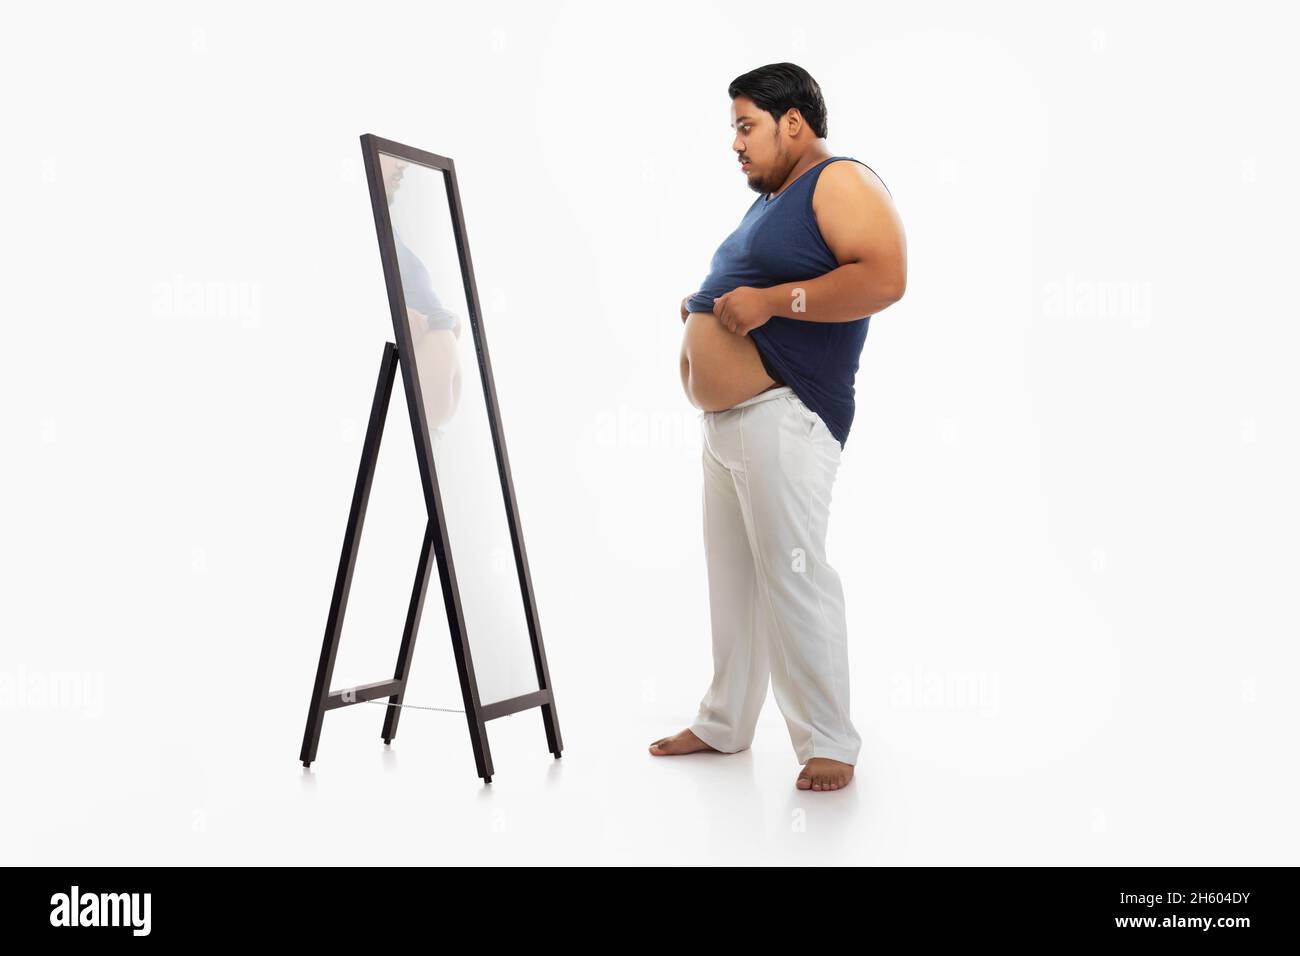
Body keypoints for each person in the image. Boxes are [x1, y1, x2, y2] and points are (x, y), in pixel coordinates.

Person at [652, 63, 907, 792]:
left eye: (745, 126)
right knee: (733, 581)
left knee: (795, 576)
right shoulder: (772, 202)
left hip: (785, 414)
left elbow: (885, 277)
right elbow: (759, 284)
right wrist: (705, 305)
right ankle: (726, 720)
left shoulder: (840, 181)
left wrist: (768, 305)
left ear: (793, 122)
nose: (735, 144)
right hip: (728, 423)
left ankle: (829, 739)